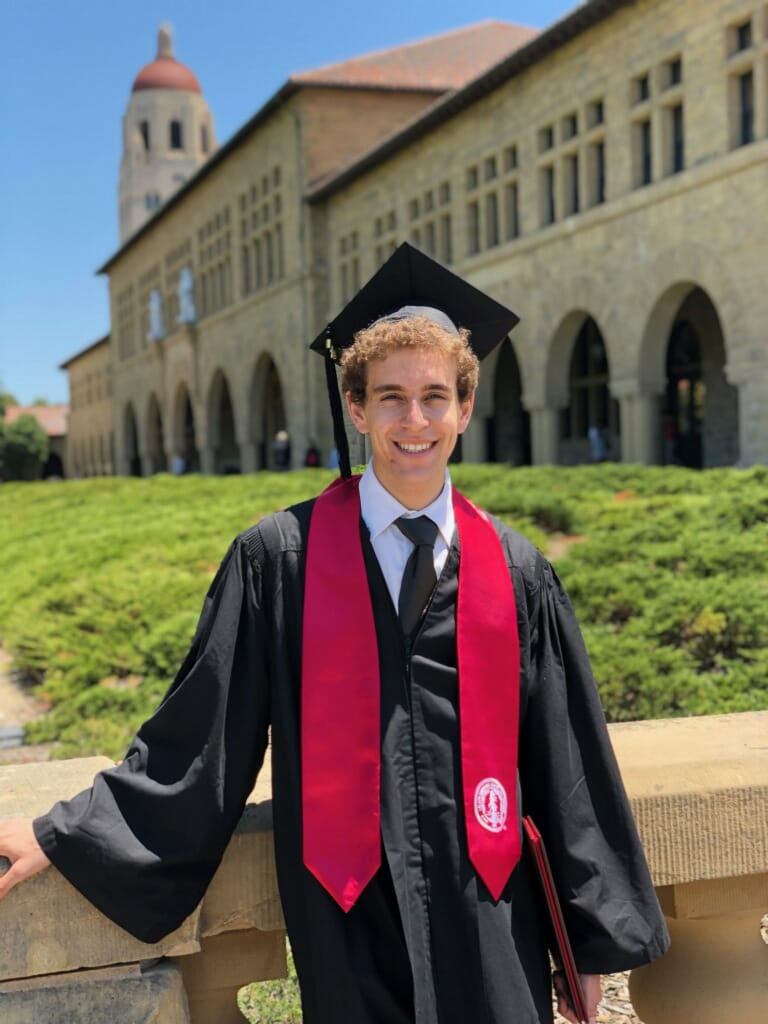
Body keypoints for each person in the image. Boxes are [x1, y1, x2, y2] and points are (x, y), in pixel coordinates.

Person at [0, 244, 668, 1024]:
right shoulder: (279, 560)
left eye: (433, 396)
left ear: (464, 407)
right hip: (349, 922)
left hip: (491, 916)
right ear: (355, 408)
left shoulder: (517, 573)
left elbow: (568, 764)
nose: (413, 421)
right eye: (389, 397)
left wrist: (590, 943)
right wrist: (65, 833)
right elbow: (203, 737)